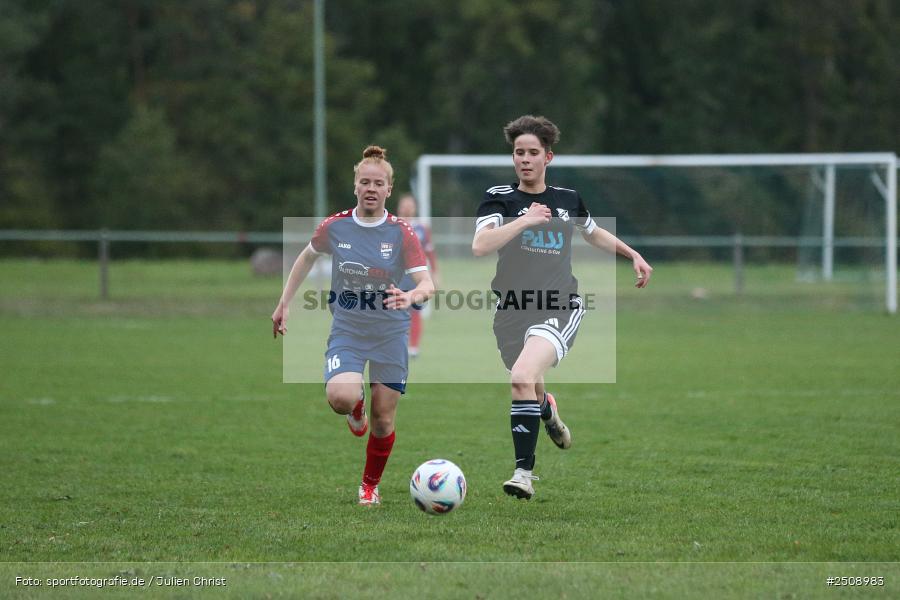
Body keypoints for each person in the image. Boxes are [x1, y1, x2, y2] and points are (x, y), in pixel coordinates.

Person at [472, 115, 653, 500]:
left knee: (520, 377)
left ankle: (523, 474)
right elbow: (481, 246)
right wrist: (524, 221)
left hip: (559, 305)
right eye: (518, 152)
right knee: (528, 385)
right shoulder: (500, 198)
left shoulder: (567, 199)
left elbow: (594, 232)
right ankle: (546, 411)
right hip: (511, 310)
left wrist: (632, 254)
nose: (524, 159)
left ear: (547, 157)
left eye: (532, 153)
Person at [272, 145, 435, 506]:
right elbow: (305, 257)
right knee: (341, 398)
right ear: (356, 186)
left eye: (379, 183)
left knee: (383, 420)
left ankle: (369, 486)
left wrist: (410, 297)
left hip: (391, 332)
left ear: (389, 189)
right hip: (348, 329)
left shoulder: (402, 232)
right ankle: (355, 405)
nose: (371, 188)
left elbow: (427, 284)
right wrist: (285, 302)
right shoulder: (336, 226)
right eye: (365, 182)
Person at [395, 194, 439, 357]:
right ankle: (396, 344)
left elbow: (430, 252)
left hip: (415, 276)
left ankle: (413, 347)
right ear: (399, 207)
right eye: (404, 204)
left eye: (410, 204)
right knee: (395, 309)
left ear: (415, 207)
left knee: (415, 310)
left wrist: (435, 273)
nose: (407, 207)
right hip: (395, 276)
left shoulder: (421, 228)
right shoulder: (392, 225)